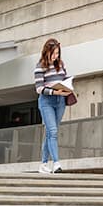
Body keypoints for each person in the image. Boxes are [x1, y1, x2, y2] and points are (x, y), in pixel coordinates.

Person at [34, 38, 71, 174]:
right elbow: (38, 88)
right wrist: (54, 91)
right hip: (46, 102)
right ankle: (56, 163)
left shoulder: (60, 64)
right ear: (47, 52)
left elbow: (64, 78)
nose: (56, 56)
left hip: (60, 101)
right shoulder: (40, 66)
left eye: (58, 54)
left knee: (50, 133)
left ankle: (43, 163)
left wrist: (68, 86)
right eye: (54, 53)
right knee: (53, 132)